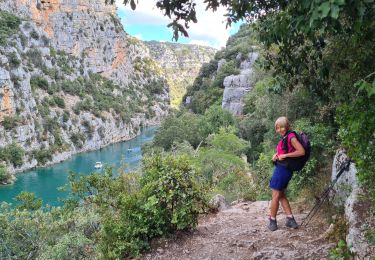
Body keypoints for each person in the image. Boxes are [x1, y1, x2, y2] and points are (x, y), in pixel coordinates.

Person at [268, 116, 305, 231]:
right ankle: (290, 220)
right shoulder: (286, 137)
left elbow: (301, 151)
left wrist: (285, 156)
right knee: (281, 195)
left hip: (282, 170)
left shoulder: (291, 137)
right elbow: (284, 151)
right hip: (283, 169)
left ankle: (272, 221)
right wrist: (276, 156)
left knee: (275, 196)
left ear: (287, 126)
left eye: (282, 127)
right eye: (277, 128)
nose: (279, 130)